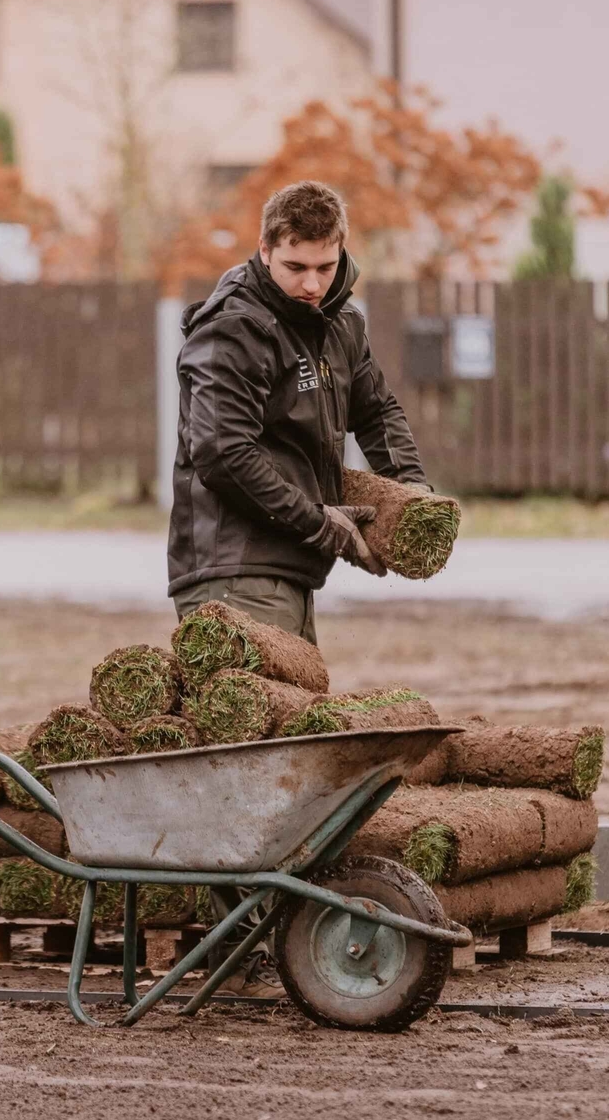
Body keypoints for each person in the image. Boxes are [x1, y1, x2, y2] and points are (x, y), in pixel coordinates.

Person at [167, 179, 429, 996]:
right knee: (254, 759)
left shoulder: (340, 326)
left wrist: (411, 492)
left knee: (288, 756)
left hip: (289, 571)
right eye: (294, 267)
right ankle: (231, 930)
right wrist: (325, 527)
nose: (311, 281)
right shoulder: (233, 330)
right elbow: (224, 453)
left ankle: (252, 929)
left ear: (342, 249)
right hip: (230, 566)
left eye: (324, 264)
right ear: (265, 250)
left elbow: (377, 411)